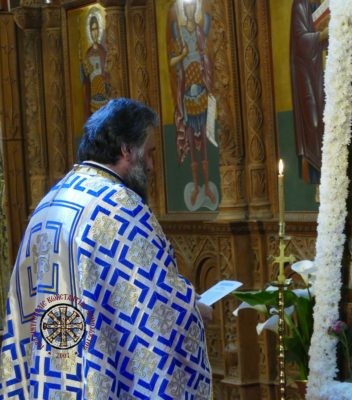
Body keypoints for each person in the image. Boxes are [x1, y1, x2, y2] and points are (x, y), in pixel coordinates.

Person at [0, 99, 213, 398]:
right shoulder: (119, 206)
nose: (151, 166)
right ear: (127, 150)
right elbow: (158, 309)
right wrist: (192, 310)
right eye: (149, 153)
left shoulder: (51, 200)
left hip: (52, 373)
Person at [167, 0, 218, 209]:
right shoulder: (178, 33)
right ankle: (196, 187)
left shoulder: (200, 31)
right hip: (187, 90)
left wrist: (203, 55)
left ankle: (207, 187)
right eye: (186, 6)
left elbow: (209, 54)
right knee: (189, 134)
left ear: (195, 8)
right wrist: (183, 55)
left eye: (192, 6)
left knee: (204, 139)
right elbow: (172, 61)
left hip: (201, 88)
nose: (189, 9)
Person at [290, 0, 328, 184]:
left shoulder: (323, 4)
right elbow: (300, 41)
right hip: (306, 73)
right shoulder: (300, 5)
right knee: (313, 121)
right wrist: (321, 35)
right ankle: (316, 178)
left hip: (323, 71)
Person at [81, 11, 110, 118]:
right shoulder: (87, 54)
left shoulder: (103, 52)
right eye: (92, 29)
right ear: (89, 31)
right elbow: (85, 79)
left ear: (99, 30)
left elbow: (108, 73)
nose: (94, 32)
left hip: (104, 96)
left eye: (96, 29)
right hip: (93, 97)